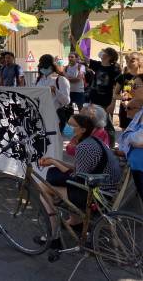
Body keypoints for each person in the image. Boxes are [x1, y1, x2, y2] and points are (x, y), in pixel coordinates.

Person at [38, 114, 121, 249]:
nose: (68, 127)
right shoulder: (93, 140)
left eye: (72, 125)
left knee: (43, 188)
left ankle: (53, 237)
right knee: (56, 180)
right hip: (103, 189)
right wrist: (55, 161)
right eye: (68, 123)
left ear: (82, 129)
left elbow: (75, 177)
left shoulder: (84, 147)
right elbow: (78, 170)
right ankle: (76, 222)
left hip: (98, 196)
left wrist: (53, 162)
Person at [87, 47, 121, 146]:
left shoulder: (114, 69)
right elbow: (83, 57)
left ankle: (111, 146)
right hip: (94, 100)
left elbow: (117, 87)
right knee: (93, 122)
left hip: (106, 102)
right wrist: (74, 42)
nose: (101, 53)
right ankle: (96, 144)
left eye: (104, 52)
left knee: (107, 124)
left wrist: (113, 103)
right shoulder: (97, 65)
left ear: (109, 56)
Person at [118, 75, 143, 201]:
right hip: (137, 166)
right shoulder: (141, 111)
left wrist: (128, 137)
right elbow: (126, 137)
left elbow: (139, 139)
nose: (132, 89)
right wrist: (129, 137)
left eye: (136, 86)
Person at [35, 54, 71, 132]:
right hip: (41, 117)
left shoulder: (61, 80)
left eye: (45, 66)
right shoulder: (39, 80)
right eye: (41, 67)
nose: (42, 69)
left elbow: (66, 101)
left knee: (55, 138)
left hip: (56, 118)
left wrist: (55, 91)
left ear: (52, 66)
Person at [111, 52, 143, 130]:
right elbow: (115, 94)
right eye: (127, 61)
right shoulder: (123, 77)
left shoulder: (141, 77)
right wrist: (123, 97)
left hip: (140, 111)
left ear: (140, 61)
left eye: (132, 61)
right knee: (126, 134)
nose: (129, 63)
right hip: (126, 111)